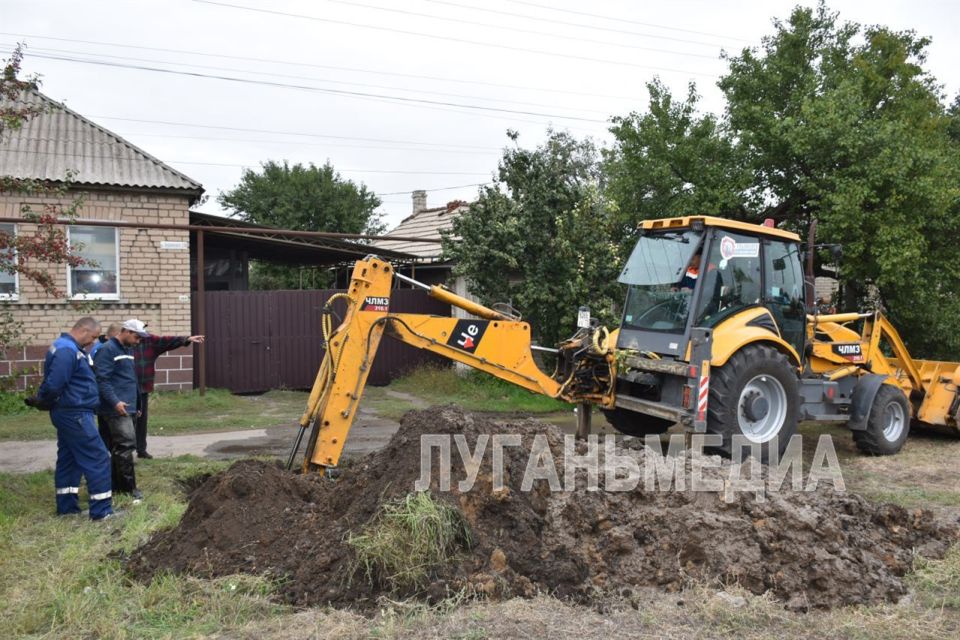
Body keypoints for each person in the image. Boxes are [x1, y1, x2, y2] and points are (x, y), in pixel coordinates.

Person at [35, 317, 114, 520]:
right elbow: (55, 383)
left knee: (70, 460)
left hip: (71, 412)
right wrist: (44, 399)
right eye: (94, 337)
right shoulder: (67, 350)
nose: (94, 342)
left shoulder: (67, 348)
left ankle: (67, 509)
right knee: (98, 458)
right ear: (84, 330)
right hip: (75, 413)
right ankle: (102, 512)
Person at [94, 318, 148, 502]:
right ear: (125, 331)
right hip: (116, 410)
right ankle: (128, 489)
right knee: (125, 447)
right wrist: (115, 402)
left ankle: (116, 486)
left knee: (121, 448)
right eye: (136, 337)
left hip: (129, 407)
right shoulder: (107, 350)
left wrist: (138, 405)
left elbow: (129, 379)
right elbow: (102, 380)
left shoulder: (127, 350)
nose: (138, 341)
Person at [133, 330, 205, 459]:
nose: (139, 338)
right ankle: (123, 450)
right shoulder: (124, 344)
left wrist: (186, 339)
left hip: (143, 388)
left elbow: (167, 340)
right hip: (126, 389)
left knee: (141, 420)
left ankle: (141, 449)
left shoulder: (149, 341)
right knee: (127, 420)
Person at [91, 323, 121, 451]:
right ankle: (106, 456)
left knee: (108, 429)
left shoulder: (102, 346)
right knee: (106, 429)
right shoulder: (102, 349)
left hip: (107, 393)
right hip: (103, 394)